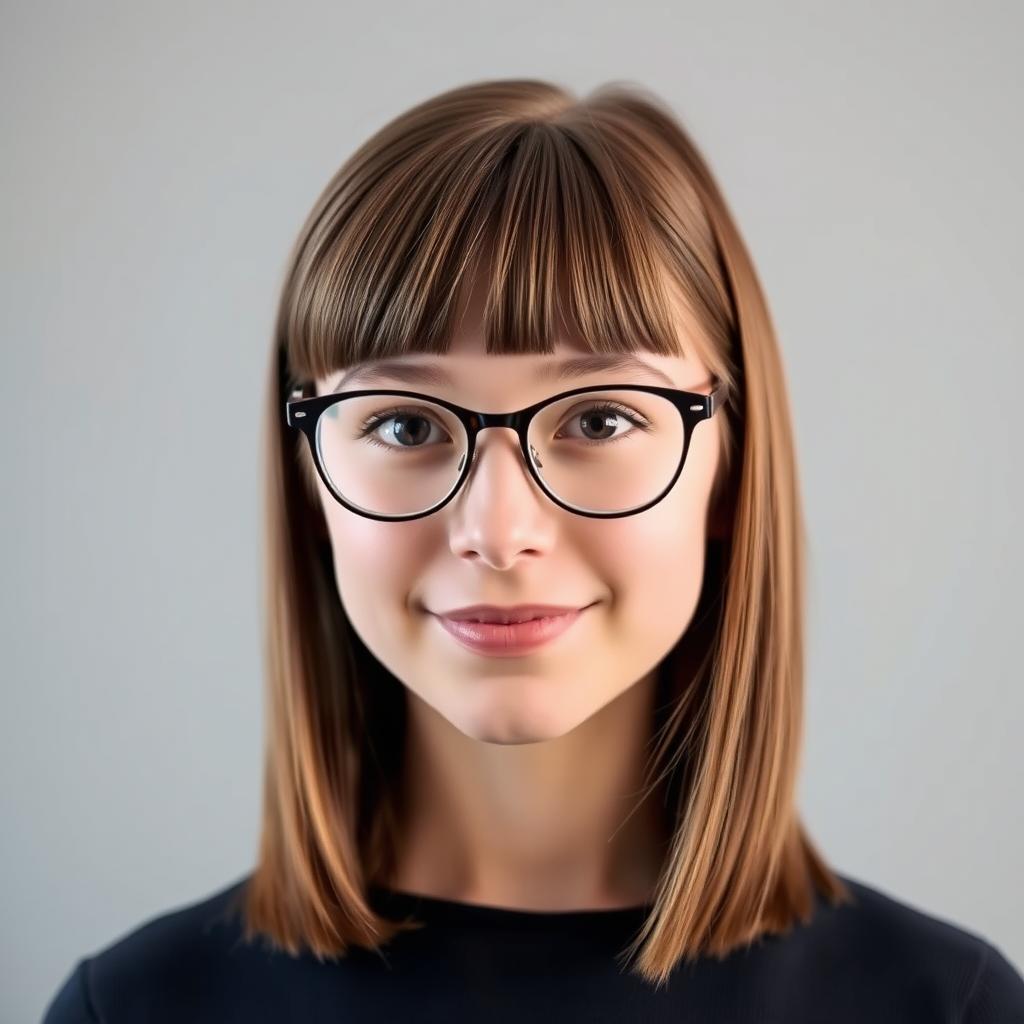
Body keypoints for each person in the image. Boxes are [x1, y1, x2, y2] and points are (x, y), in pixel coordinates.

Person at [42, 77, 1024, 1023]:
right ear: (307, 477)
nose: (497, 530)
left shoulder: (944, 1006)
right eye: (402, 425)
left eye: (598, 419)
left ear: (731, 465)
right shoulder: (132, 1008)